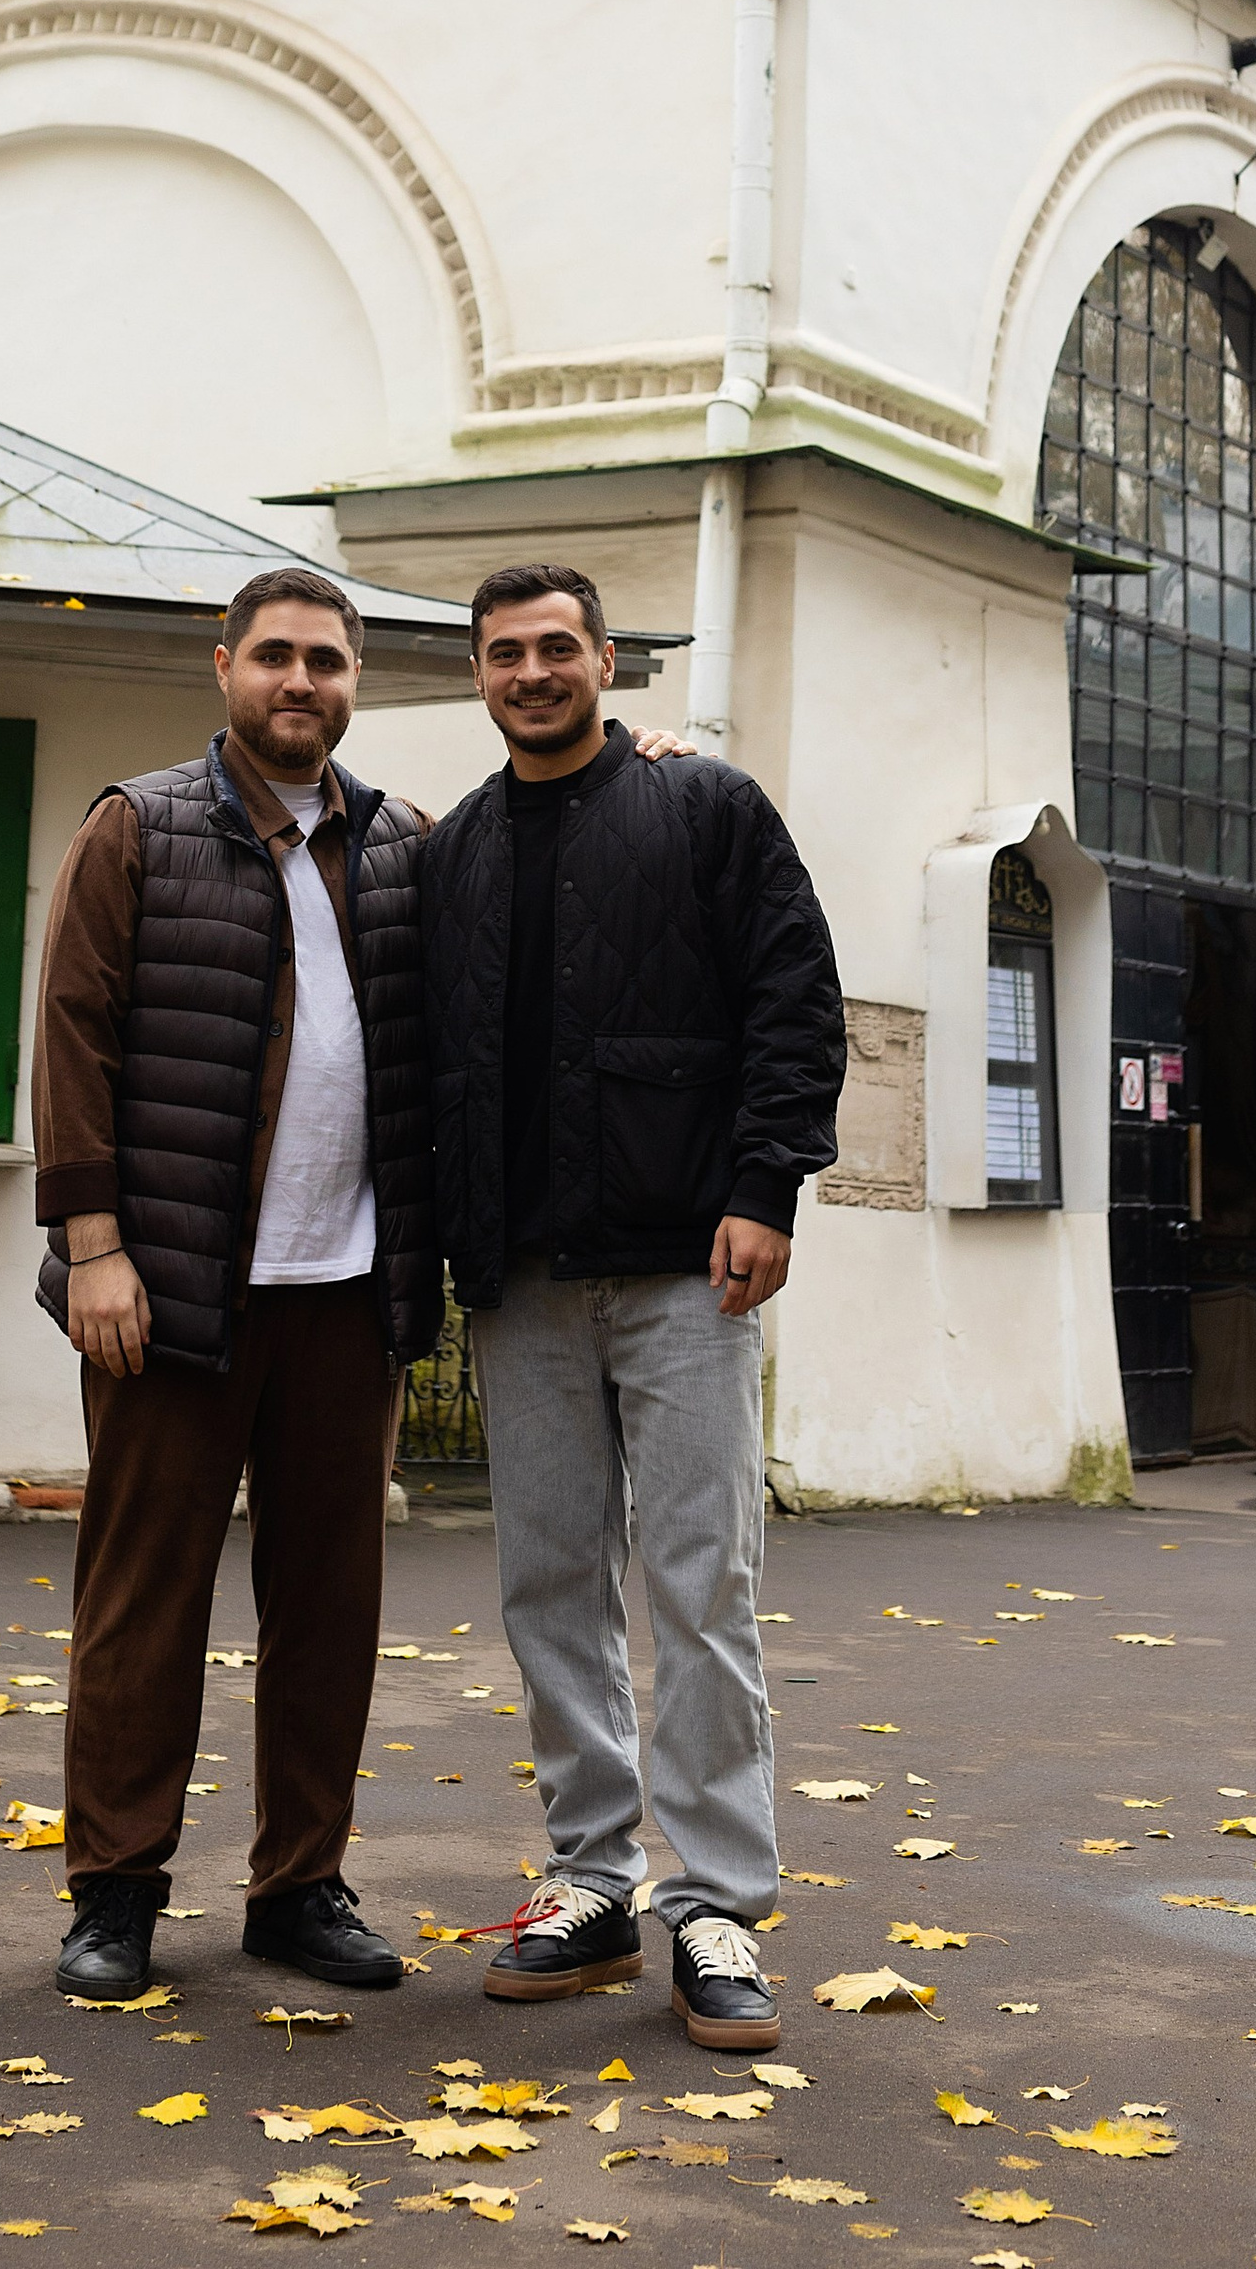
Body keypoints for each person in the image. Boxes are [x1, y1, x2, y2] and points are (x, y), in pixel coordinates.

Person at [423, 562, 846, 2051]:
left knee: (698, 1586)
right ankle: (591, 1883)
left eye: (557, 647)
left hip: (687, 1268)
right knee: (548, 1587)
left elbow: (794, 1001)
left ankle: (718, 1900)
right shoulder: (454, 851)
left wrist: (767, 1187)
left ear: (607, 660)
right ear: (477, 677)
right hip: (523, 1284)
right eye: (504, 654)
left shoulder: (706, 808)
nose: (532, 671)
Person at [31, 564, 443, 2003]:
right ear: (224, 668)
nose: (300, 683)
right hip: (171, 1294)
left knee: (329, 1607)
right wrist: (93, 1248)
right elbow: (72, 1042)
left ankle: (300, 1888)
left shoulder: (402, 846)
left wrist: (650, 767)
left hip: (348, 1298)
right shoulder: (138, 828)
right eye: (275, 657)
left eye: (326, 662)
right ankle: (117, 1893)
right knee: (144, 1602)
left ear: (353, 682)